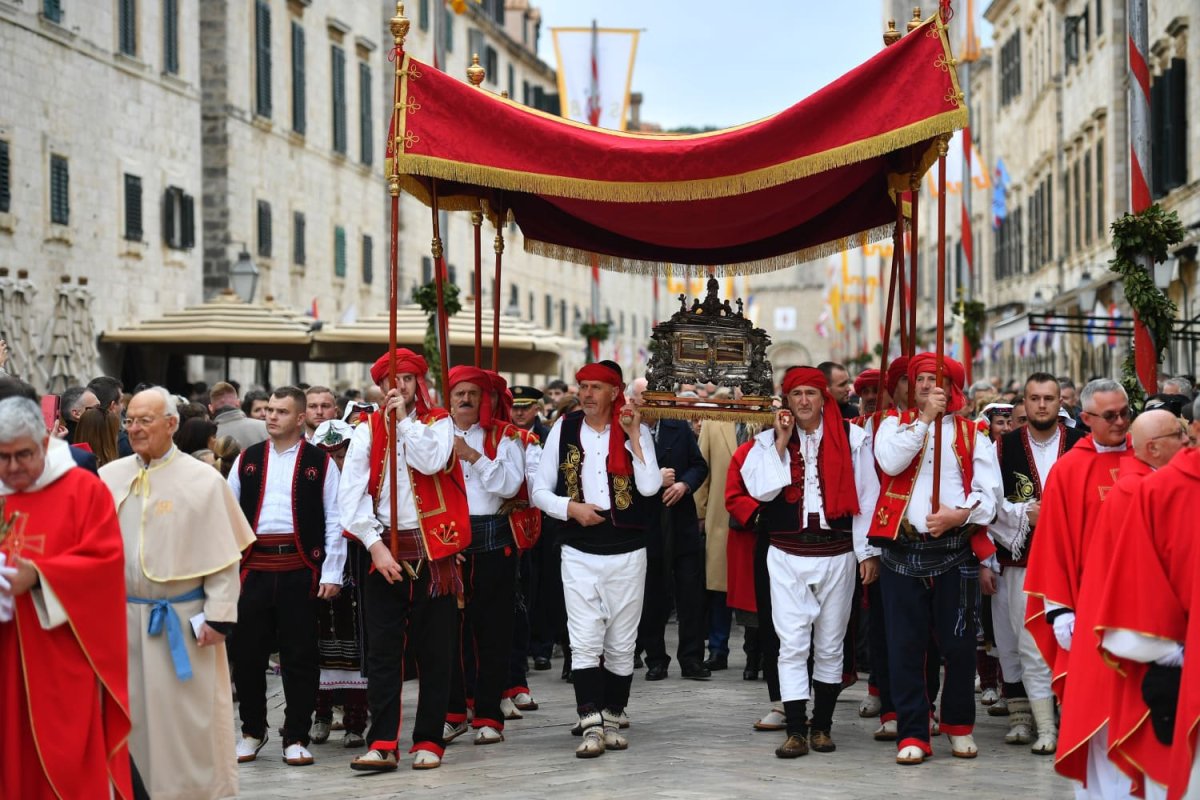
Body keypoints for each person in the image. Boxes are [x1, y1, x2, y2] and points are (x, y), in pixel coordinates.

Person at [101, 386, 255, 800]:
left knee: (187, 722)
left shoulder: (203, 481)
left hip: (185, 623)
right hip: (122, 622)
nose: (135, 428)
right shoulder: (108, 477)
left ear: (171, 424)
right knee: (130, 719)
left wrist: (219, 615)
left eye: (145, 420)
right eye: (130, 420)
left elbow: (224, 558)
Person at [339, 348, 468, 772]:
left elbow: (431, 461)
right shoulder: (366, 429)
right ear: (379, 386)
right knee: (383, 653)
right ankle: (382, 742)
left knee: (435, 651)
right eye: (391, 380)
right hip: (383, 549)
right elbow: (350, 495)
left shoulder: (439, 422)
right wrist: (374, 545)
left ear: (418, 383)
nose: (399, 386)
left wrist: (405, 423)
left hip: (434, 550)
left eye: (407, 379)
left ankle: (429, 739)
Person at [742, 366, 881, 758]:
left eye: (811, 393)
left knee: (831, 643)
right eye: (796, 394)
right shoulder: (767, 440)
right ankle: (794, 729)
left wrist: (867, 552)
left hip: (837, 552)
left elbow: (867, 497)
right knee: (791, 644)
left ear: (824, 398)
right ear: (786, 399)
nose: (804, 401)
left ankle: (821, 726)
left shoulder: (853, 438)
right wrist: (781, 442)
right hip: (786, 553)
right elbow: (761, 491)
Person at [0, 396, 134, 800]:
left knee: (63, 765)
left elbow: (105, 563)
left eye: (23, 455)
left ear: (44, 443)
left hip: (60, 655)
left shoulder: (82, 490)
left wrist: (40, 576)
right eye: (2, 457)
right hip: (5, 650)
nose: (12, 467)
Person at [870, 354, 1000, 765]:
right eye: (921, 378)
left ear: (952, 387)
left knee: (959, 645)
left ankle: (959, 725)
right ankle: (913, 730)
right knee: (905, 646)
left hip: (954, 551)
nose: (927, 385)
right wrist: (924, 419)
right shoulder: (892, 425)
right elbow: (890, 462)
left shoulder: (973, 432)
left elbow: (990, 495)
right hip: (901, 551)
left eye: (936, 379)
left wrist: (959, 515)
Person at [531, 360, 662, 758]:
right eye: (583, 386)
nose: (587, 394)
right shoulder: (565, 428)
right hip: (578, 546)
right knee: (584, 638)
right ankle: (590, 722)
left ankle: (613, 715)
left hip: (628, 547)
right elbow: (539, 490)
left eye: (595, 387)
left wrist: (634, 435)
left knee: (622, 642)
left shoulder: (634, 429)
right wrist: (571, 509)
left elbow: (650, 486)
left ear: (614, 391)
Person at [1056, 409, 1186, 799]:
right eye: (1179, 435)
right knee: (1119, 735)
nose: (1187, 442)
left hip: (1118, 627)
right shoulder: (1142, 490)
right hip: (1129, 633)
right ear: (1154, 448)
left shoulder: (1144, 483)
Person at [227, 386, 345, 768]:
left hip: (300, 569)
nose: (271, 416)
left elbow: (335, 519)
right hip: (254, 569)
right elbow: (226, 516)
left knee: (300, 656)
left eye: (281, 411)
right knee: (247, 655)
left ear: (300, 418)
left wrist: (331, 571)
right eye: (269, 410)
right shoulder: (246, 459)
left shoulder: (320, 462)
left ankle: (296, 735)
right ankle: (252, 730)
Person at [1095, 413, 1199, 800]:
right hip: (1183, 671)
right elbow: (1137, 584)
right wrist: (1177, 651)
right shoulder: (1156, 491)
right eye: (1179, 433)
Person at [989, 374, 1086, 753]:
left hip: (1075, 566)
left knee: (1076, 644)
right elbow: (989, 500)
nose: (1042, 405)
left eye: (1049, 398)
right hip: (1023, 563)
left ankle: (1073, 721)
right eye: (1034, 398)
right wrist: (1024, 515)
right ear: (1024, 403)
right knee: (1029, 643)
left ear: (1061, 402)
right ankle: (1045, 728)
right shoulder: (1003, 446)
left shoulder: (1081, 443)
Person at [1023, 378, 1131, 697]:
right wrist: (1059, 609)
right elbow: (1053, 543)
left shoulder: (1146, 458)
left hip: (1139, 593)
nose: (1120, 422)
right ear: (1086, 418)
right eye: (1110, 416)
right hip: (1088, 597)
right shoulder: (1069, 469)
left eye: (1125, 413)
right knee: (1092, 693)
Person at [441, 366, 525, 745]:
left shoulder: (505, 436)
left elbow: (509, 484)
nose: (465, 399)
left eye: (472, 393)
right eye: (459, 392)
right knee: (448, 633)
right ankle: (454, 711)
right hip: (447, 543)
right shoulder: (434, 434)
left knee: (493, 632)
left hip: (492, 542)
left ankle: (489, 714)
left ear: (485, 399)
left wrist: (472, 455)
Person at [637, 407, 711, 681]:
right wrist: (655, 479)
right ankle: (656, 659)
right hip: (648, 523)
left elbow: (699, 466)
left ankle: (692, 659)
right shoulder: (626, 431)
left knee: (690, 594)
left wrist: (684, 485)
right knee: (653, 595)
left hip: (681, 522)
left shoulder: (677, 426)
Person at [309, 419, 369, 749]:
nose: (335, 462)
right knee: (319, 643)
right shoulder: (311, 486)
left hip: (357, 574)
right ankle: (320, 714)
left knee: (356, 645)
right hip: (320, 574)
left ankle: (355, 721)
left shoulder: (365, 482)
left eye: (342, 455)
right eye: (328, 456)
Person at [693, 419, 739, 673]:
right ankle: (718, 648)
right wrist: (700, 513)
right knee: (719, 587)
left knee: (757, 588)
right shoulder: (714, 424)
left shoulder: (770, 419)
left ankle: (757, 654)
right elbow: (703, 471)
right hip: (721, 515)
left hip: (759, 516)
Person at [209, 381, 268, 449]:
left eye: (267, 409)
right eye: (257, 410)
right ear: (238, 403)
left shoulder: (209, 437)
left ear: (211, 408)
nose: (264, 414)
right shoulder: (266, 428)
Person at [89, 375, 135, 457]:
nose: (123, 407)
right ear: (112, 406)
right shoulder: (122, 442)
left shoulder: (78, 436)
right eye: (121, 401)